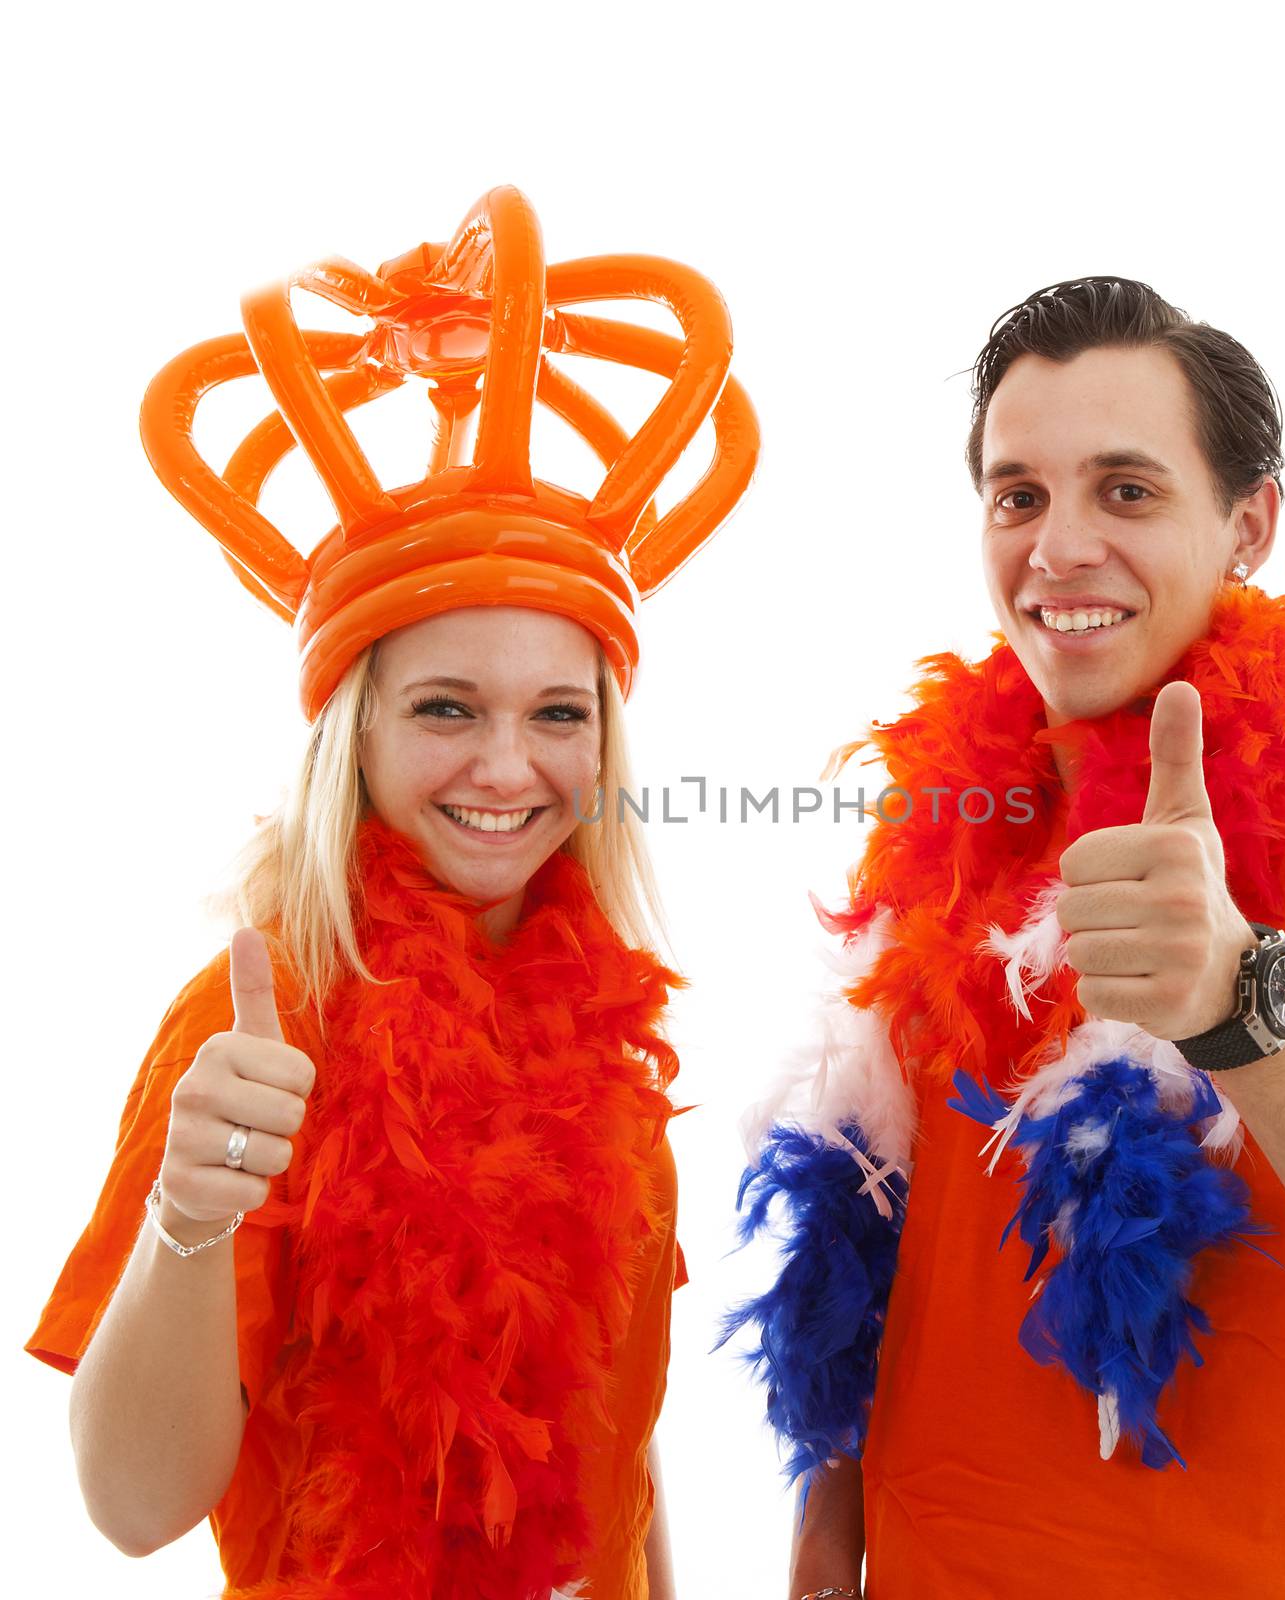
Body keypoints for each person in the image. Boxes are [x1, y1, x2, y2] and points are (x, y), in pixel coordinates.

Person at [729, 278, 1285, 1600]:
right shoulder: (947, 845)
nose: (1059, 549)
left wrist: (1239, 1003)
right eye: (1019, 495)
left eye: (1126, 490)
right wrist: (830, 1523)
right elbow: (886, 1237)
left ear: (1248, 526)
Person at [26, 186, 757, 1600]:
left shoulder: (605, 1032)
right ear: (349, 733)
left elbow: (621, 1455)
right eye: (443, 708)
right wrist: (190, 1217)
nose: (508, 766)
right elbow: (128, 1508)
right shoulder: (248, 1036)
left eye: (559, 712)